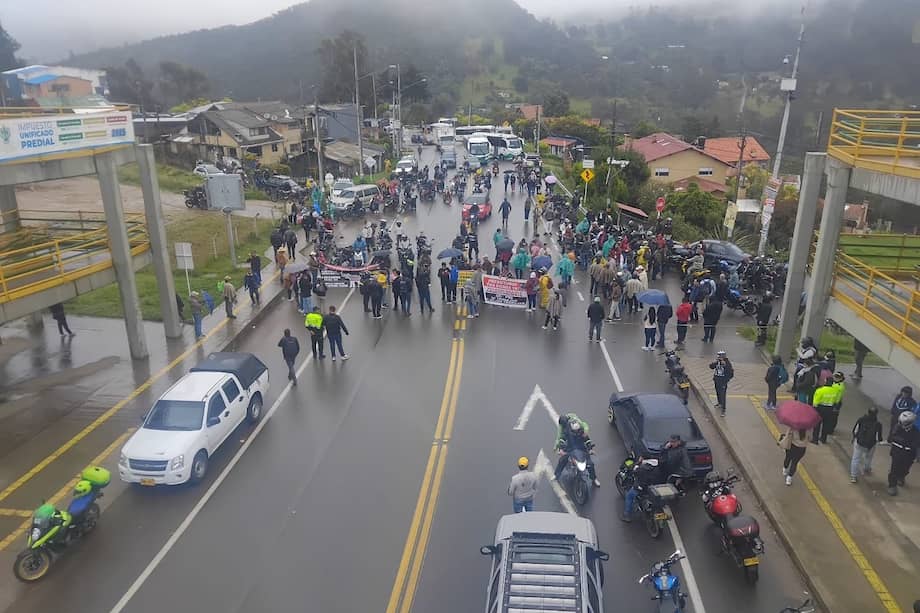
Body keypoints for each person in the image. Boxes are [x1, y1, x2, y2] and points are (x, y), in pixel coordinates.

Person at [553, 414, 600, 487]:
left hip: (582, 450)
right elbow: (562, 439)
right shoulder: (567, 432)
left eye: (578, 431)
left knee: (590, 464)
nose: (577, 432)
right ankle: (556, 475)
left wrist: (590, 449)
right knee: (562, 460)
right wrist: (561, 449)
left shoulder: (582, 432)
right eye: (575, 431)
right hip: (570, 449)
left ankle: (594, 478)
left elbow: (587, 440)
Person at [887, 410, 920, 496]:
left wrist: (909, 445)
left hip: (909, 455)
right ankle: (892, 485)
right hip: (897, 452)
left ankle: (901, 476)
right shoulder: (897, 427)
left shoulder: (916, 432)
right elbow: (892, 437)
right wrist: (902, 441)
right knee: (894, 469)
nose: (901, 425)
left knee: (905, 468)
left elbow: (916, 444)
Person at [621, 457, 661, 522]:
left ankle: (626, 515)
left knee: (629, 496)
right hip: (653, 487)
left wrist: (638, 463)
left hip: (642, 489)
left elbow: (634, 471)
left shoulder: (642, 468)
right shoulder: (657, 468)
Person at [851, 407, 883, 483]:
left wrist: (854, 438)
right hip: (870, 445)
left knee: (855, 459)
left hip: (859, 443)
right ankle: (866, 469)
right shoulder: (878, 424)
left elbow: (855, 431)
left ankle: (853, 476)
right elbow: (879, 438)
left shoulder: (861, 419)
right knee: (868, 457)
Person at [811, 377, 840, 444]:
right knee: (826, 424)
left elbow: (815, 403)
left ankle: (815, 439)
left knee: (817, 424)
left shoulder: (820, 390)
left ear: (825, 382)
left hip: (820, 408)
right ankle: (823, 439)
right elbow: (836, 401)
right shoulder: (835, 391)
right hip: (830, 409)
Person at [710, 350, 734, 416]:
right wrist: (715, 362)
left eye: (720, 356)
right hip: (717, 379)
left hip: (723, 381)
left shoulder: (727, 363)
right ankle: (719, 403)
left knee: (723, 394)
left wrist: (724, 365)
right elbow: (711, 367)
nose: (719, 357)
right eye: (718, 356)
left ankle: (723, 410)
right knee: (718, 392)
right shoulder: (717, 362)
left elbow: (730, 372)